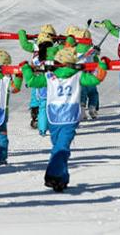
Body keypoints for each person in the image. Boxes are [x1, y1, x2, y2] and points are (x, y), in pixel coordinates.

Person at [21, 47, 107, 192]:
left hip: (53, 117)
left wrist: (25, 68)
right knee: (62, 148)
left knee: (59, 148)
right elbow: (96, 78)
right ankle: (53, 175)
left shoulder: (49, 76)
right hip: (70, 117)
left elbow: (31, 81)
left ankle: (61, 179)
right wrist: (103, 65)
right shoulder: (78, 75)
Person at [74, 28, 100, 120]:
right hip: (91, 75)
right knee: (93, 93)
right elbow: (97, 61)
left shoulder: (74, 50)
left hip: (80, 76)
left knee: (82, 94)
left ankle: (82, 110)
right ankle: (92, 107)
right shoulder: (91, 49)